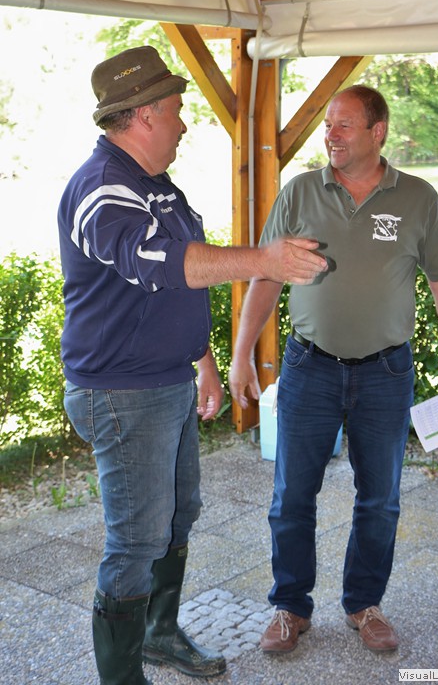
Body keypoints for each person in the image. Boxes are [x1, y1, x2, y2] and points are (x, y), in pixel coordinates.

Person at [58, 45, 327, 685]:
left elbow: (172, 288)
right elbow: (158, 263)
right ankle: (122, 677)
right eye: (177, 109)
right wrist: (264, 259)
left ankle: (158, 635)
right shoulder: (102, 188)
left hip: (166, 381)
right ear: (145, 114)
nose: (183, 123)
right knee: (136, 539)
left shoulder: (155, 186)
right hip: (122, 393)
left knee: (178, 516)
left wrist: (201, 357)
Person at [229, 85, 438, 655]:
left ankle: (364, 604)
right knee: (292, 496)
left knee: (380, 499)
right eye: (327, 125)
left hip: (386, 373)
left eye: (343, 125)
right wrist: (241, 354)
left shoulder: (417, 198)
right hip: (309, 368)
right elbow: (266, 276)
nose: (331, 135)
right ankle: (291, 607)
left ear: (377, 131)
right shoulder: (299, 192)